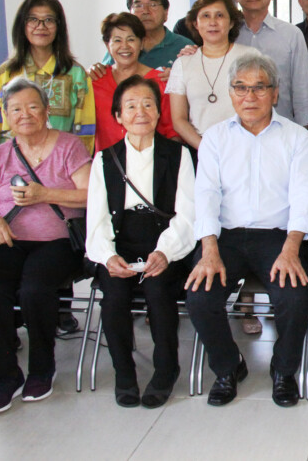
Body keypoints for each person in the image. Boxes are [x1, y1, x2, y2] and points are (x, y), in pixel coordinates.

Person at [185, 52, 308, 408]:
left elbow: (303, 198)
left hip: (279, 237)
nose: (249, 96)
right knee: (199, 297)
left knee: (294, 297)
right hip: (225, 237)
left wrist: (292, 249)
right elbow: (206, 195)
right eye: (240, 88)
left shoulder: (297, 138)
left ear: (275, 93)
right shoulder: (214, 138)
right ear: (230, 93)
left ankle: (283, 370)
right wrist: (208, 249)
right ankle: (229, 367)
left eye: (259, 88)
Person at [0, 78, 91, 413]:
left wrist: (45, 194)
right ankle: (5, 375)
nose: (25, 114)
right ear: (6, 115)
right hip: (10, 240)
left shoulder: (69, 146)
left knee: (35, 289)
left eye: (33, 106)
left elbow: (91, 195)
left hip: (57, 242)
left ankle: (42, 369)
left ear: (46, 110)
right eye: (16, 109)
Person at [86, 75, 196, 408]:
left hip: (165, 240)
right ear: (117, 116)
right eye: (130, 106)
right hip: (120, 242)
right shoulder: (105, 159)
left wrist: (165, 252)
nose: (140, 112)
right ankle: (124, 374)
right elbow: (98, 218)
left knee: (158, 292)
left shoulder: (178, 155)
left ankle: (165, 370)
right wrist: (107, 257)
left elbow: (188, 213)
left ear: (159, 111)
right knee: (114, 297)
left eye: (148, 104)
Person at [0, 0, 95, 182]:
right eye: (33, 20)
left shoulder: (76, 75)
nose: (41, 27)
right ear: (23, 26)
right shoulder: (4, 75)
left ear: (59, 27)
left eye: (49, 20)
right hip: (11, 176)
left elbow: (85, 135)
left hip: (61, 175)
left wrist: (78, 176)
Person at [166, 0, 258, 151]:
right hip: (199, 149)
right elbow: (179, 120)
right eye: (205, 16)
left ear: (231, 23)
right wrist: (206, 149)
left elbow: (261, 108)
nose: (213, 22)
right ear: (195, 23)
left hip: (245, 147)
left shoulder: (251, 57)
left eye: (220, 15)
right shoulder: (183, 63)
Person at [233, 0, 308, 126]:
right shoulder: (227, 35)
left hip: (282, 130)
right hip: (235, 131)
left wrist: (304, 130)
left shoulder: (291, 34)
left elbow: (302, 89)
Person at [93, 13, 177, 151]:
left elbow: (172, 132)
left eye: (131, 39)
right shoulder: (95, 81)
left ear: (142, 43)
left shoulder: (161, 81)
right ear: (108, 45)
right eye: (117, 40)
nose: (125, 46)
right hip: (107, 165)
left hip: (152, 164)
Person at [101, 0, 193, 69]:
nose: (145, 11)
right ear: (130, 12)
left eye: (153, 5)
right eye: (138, 6)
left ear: (166, 12)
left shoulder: (184, 47)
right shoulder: (121, 48)